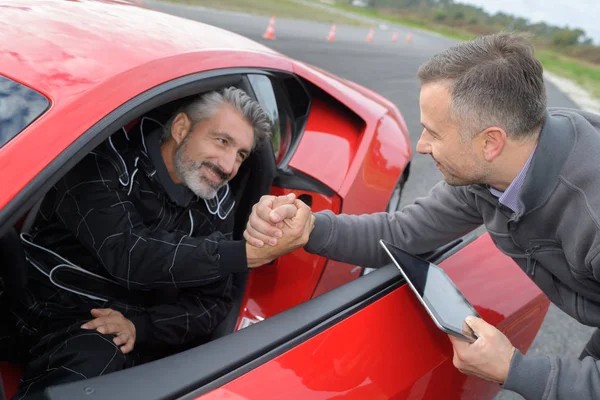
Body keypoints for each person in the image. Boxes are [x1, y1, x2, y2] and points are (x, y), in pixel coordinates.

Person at [243, 32, 600, 399]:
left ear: (490, 142)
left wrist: (514, 369)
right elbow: (404, 233)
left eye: (433, 133)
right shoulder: (496, 167)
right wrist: (310, 228)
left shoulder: (592, 215)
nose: (422, 146)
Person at [12, 87, 279, 399]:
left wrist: (142, 327)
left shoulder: (217, 205)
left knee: (96, 369)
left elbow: (213, 303)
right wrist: (243, 253)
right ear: (181, 128)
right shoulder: (104, 158)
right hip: (23, 298)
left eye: (241, 155)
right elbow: (128, 253)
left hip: (94, 331)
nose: (229, 166)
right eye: (222, 141)